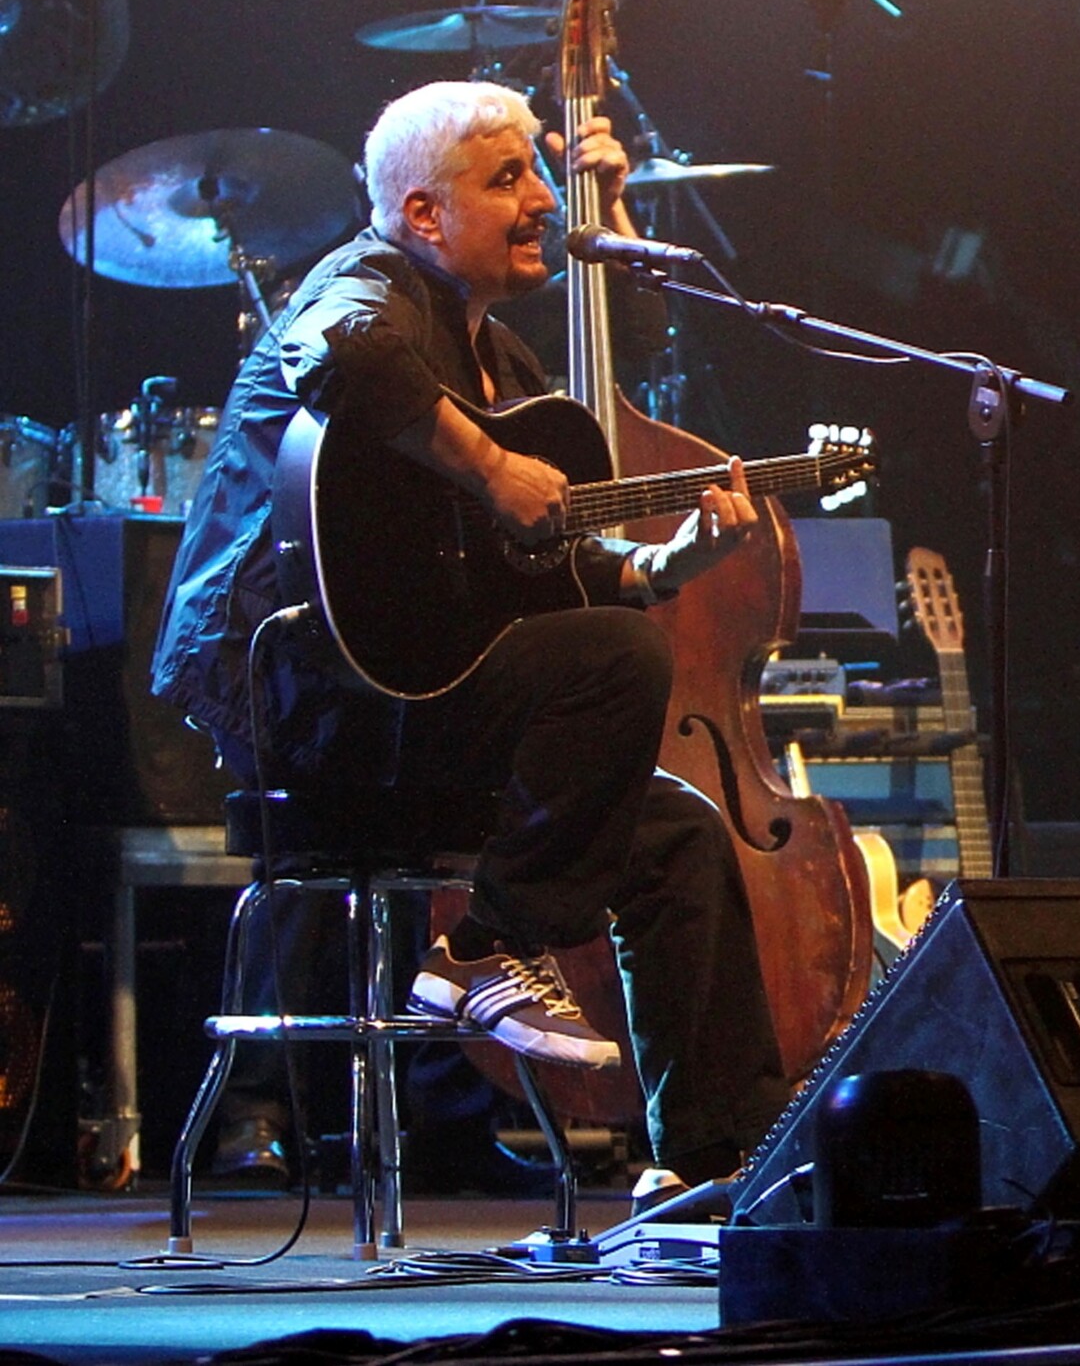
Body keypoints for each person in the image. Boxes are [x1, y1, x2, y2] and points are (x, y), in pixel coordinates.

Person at [152, 79, 791, 1193]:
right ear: (421, 216)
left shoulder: (508, 368)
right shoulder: (360, 287)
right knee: (615, 662)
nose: (544, 199)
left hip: (426, 708)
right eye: (508, 179)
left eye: (540, 172)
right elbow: (340, 357)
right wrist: (490, 468)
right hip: (315, 709)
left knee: (680, 834)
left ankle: (709, 1163)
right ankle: (491, 950)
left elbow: (547, 571)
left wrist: (662, 563)